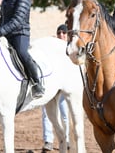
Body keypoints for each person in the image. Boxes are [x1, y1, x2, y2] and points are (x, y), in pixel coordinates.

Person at [0, 0, 44, 98]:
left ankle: (37, 83)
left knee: (22, 53)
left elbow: (17, 20)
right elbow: (2, 20)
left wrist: (0, 32)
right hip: (6, 34)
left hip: (20, 34)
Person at [42, 24, 70, 152]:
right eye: (59, 33)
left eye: (64, 33)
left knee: (64, 113)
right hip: (52, 85)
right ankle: (48, 140)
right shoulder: (52, 47)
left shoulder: (70, 49)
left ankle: (67, 139)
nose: (61, 35)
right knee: (47, 113)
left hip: (65, 86)